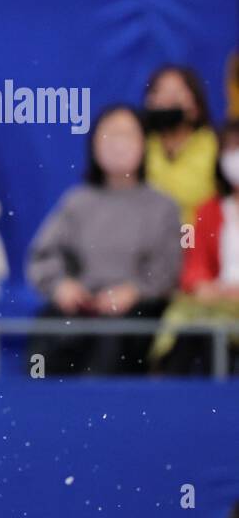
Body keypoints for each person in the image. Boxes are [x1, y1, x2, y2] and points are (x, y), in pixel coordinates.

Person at [26, 105, 182, 376]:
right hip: (80, 309)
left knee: (111, 345)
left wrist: (135, 292)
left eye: (127, 135)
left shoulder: (163, 207)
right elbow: (43, 254)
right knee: (46, 342)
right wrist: (61, 285)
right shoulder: (77, 202)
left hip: (135, 313)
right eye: (109, 136)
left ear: (144, 144)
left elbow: (167, 268)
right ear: (94, 145)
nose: (118, 145)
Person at [151, 118, 239, 374]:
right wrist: (202, 284)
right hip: (215, 305)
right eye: (231, 148)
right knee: (189, 334)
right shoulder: (209, 209)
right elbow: (194, 260)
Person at [143, 64, 218, 226]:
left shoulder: (217, 147)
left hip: (200, 244)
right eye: (159, 91)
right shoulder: (138, 148)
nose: (167, 100)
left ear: (196, 105)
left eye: (177, 92)